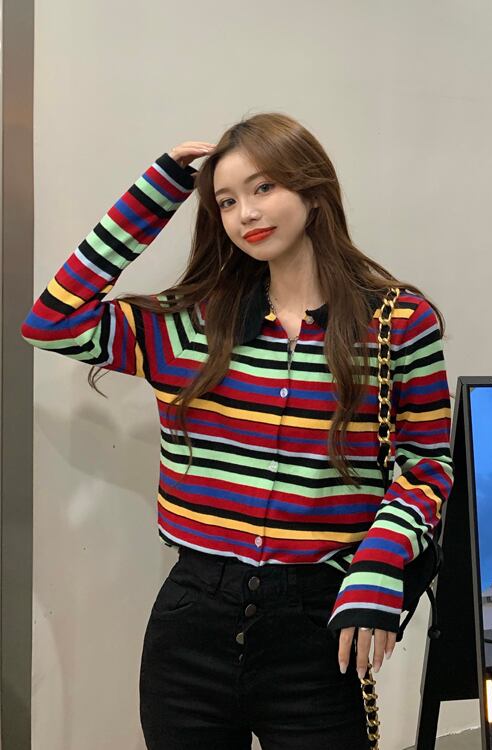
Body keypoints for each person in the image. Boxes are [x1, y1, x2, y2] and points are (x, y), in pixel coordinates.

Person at [20, 113, 454, 749]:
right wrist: (157, 191)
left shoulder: (397, 323)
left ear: (312, 190)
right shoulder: (193, 324)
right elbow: (51, 322)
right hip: (192, 624)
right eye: (226, 201)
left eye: (264, 187)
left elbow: (426, 463)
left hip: (319, 625)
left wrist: (379, 564)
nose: (246, 213)